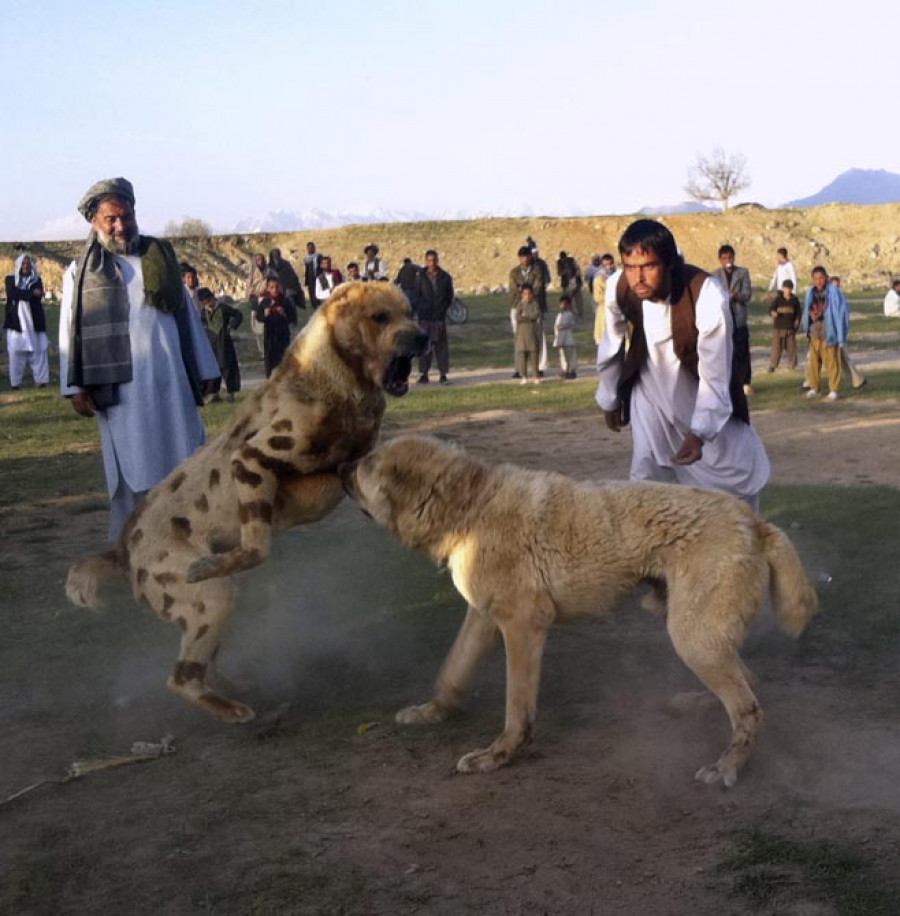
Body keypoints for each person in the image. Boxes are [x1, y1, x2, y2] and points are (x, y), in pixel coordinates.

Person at [59, 177, 220, 540]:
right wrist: (74, 387)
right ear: (94, 222)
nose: (120, 226)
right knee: (131, 469)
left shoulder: (158, 258)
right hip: (120, 391)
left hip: (170, 380)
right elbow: (69, 330)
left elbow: (186, 318)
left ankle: (189, 537)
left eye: (126, 216)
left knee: (183, 457)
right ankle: (133, 546)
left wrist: (207, 367)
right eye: (110, 219)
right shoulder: (80, 271)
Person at [595, 219, 769, 511]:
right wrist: (610, 398)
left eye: (648, 266)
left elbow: (716, 374)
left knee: (731, 488)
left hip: (700, 401)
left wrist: (699, 432)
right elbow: (610, 345)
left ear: (670, 263)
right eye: (630, 266)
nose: (637, 277)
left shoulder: (706, 296)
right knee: (646, 482)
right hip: (650, 398)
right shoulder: (618, 288)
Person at [801, 266, 849, 401]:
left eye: (821, 278)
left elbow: (841, 313)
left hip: (829, 331)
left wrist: (841, 335)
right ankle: (814, 387)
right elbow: (807, 309)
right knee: (813, 362)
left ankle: (834, 389)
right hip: (815, 331)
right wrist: (811, 315)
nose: (818, 281)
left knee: (832, 362)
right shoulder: (810, 292)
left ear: (826, 277)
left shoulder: (834, 292)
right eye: (815, 278)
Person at [712, 245, 753, 395]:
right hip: (723, 319)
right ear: (720, 260)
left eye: (729, 258)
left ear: (733, 258)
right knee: (725, 352)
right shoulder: (715, 275)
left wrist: (737, 296)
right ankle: (728, 384)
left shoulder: (743, 273)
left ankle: (745, 382)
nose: (727, 261)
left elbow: (748, 294)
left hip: (739, 317)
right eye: (724, 258)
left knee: (742, 350)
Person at [4, 253, 49, 389]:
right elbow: (13, 293)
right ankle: (15, 383)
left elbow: (38, 294)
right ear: (18, 265)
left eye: (28, 264)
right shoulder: (10, 279)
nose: (25, 266)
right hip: (17, 321)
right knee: (16, 351)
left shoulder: (37, 279)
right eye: (23, 264)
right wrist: (31, 293)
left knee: (38, 351)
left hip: (34, 320)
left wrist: (32, 294)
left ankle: (41, 380)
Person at [414, 249, 454, 384]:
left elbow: (449, 297)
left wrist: (442, 309)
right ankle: (424, 374)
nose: (432, 263)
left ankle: (443, 374)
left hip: (439, 317)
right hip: (425, 317)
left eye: (434, 260)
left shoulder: (445, 277)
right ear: (426, 261)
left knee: (441, 347)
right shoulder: (420, 276)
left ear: (437, 260)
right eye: (429, 260)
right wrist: (421, 310)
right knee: (425, 347)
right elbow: (417, 296)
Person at [197, 287, 242, 402]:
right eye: (205, 303)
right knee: (214, 369)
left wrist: (231, 326)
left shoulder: (223, 308)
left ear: (212, 298)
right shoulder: (203, 313)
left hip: (224, 342)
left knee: (227, 367)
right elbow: (202, 324)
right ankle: (214, 394)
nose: (208, 304)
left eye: (209, 301)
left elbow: (238, 314)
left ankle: (231, 393)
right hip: (211, 345)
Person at [508, 246, 545, 378]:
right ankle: (519, 368)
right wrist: (525, 293)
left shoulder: (537, 270)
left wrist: (525, 291)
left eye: (527, 256)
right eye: (522, 257)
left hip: (534, 305)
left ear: (530, 256)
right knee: (518, 337)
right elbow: (513, 289)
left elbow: (538, 287)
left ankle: (539, 367)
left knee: (537, 335)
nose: (524, 259)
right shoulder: (514, 272)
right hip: (517, 305)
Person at [255, 274, 297, 377]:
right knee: (270, 359)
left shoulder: (285, 301)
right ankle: (270, 379)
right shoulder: (265, 302)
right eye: (272, 287)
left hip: (283, 335)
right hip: (270, 335)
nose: (275, 289)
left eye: (277, 287)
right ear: (268, 288)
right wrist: (265, 315)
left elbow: (292, 317)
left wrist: (284, 314)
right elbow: (258, 316)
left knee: (283, 358)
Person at [828, 275, 866, 389]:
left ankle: (856, 380)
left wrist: (841, 336)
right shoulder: (831, 295)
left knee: (840, 357)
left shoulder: (838, 297)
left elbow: (841, 318)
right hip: (827, 332)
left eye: (837, 284)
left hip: (833, 333)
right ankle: (857, 380)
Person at [767, 279, 802, 372]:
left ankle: (792, 366)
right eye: (786, 288)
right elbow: (771, 309)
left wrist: (797, 321)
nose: (788, 291)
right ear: (783, 289)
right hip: (779, 327)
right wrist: (773, 313)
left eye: (790, 289)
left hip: (790, 328)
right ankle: (772, 366)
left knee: (791, 348)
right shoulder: (778, 299)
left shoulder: (794, 300)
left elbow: (798, 313)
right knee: (776, 348)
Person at [514, 284, 541, 385]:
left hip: (532, 333)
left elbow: (535, 315)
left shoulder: (535, 304)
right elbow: (518, 317)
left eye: (529, 293)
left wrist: (525, 316)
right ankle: (524, 376)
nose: (527, 296)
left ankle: (536, 376)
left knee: (534, 356)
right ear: (522, 295)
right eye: (525, 294)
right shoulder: (519, 305)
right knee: (522, 357)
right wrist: (527, 317)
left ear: (532, 294)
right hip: (521, 335)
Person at [245, 252, 269, 355]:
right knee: (257, 328)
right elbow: (248, 288)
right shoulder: (252, 274)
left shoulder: (270, 271)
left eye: (262, 259)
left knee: (268, 327)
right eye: (258, 259)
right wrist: (255, 292)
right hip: (256, 302)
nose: (261, 261)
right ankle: (262, 351)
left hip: (267, 301)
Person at [592, 253, 617, 344]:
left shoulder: (618, 276)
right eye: (606, 265)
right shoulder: (599, 278)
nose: (609, 267)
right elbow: (597, 297)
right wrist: (612, 297)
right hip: (605, 310)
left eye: (611, 264)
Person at [553, 294, 577, 379]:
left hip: (568, 338)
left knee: (570, 356)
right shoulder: (559, 315)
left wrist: (561, 326)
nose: (563, 306)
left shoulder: (570, 314)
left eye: (565, 304)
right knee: (562, 355)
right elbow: (556, 326)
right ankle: (565, 370)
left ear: (569, 305)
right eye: (562, 304)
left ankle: (571, 371)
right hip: (560, 338)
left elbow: (568, 324)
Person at [304, 241, 320, 310]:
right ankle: (316, 310)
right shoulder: (306, 259)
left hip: (319, 278)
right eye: (308, 248)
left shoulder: (319, 256)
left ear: (314, 248)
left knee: (321, 296)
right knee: (312, 297)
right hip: (311, 280)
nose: (310, 249)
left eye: (311, 248)